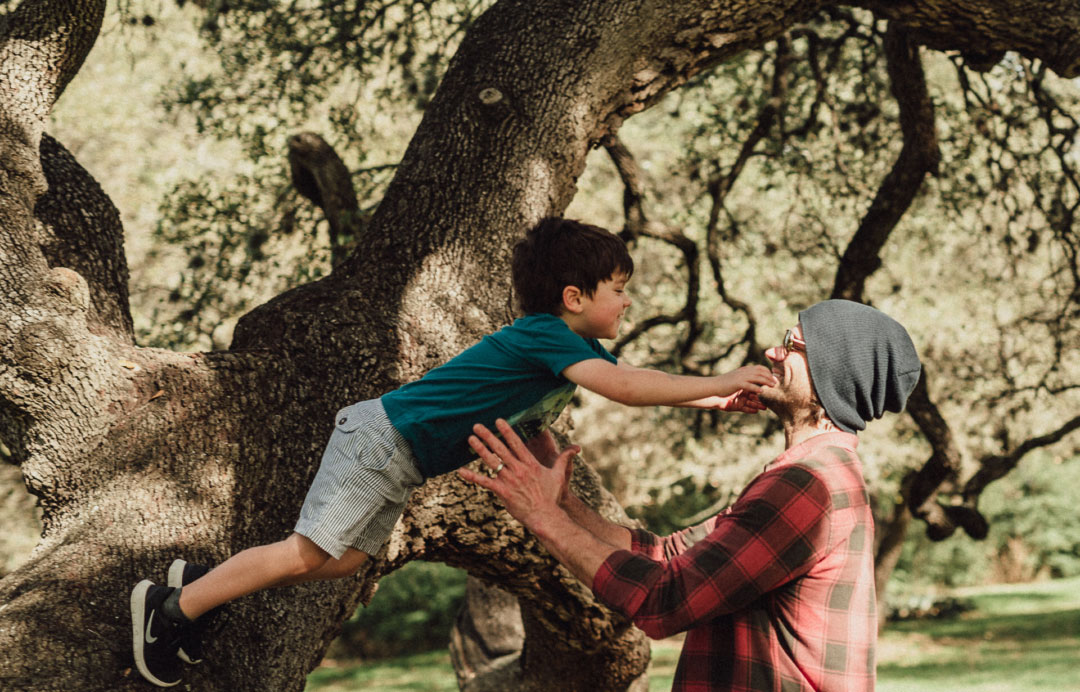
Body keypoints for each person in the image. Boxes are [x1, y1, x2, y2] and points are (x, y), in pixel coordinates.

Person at [129, 217, 777, 687]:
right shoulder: (546, 336)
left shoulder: (564, 352)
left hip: (398, 459)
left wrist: (721, 402)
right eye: (618, 286)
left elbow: (638, 381)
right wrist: (722, 380)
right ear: (574, 298)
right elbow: (632, 389)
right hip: (381, 442)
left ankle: (200, 590)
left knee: (342, 561)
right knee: (308, 553)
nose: (628, 299)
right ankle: (170, 607)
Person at [461, 299, 922, 692]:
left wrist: (543, 516)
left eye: (793, 344)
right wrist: (562, 502)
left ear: (832, 374)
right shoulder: (812, 474)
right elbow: (666, 556)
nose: (771, 351)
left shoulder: (809, 485)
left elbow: (665, 600)